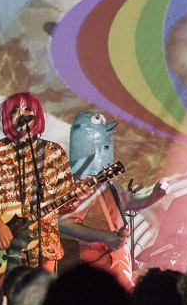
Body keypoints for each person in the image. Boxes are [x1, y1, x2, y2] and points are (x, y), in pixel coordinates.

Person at [0, 91, 76, 273]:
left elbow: (69, 204)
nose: (21, 114)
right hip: (7, 244)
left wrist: (80, 194)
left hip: (44, 244)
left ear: (37, 115)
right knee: (10, 296)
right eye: (15, 110)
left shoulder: (53, 152)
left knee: (42, 297)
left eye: (27, 109)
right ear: (8, 117)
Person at [59, 111, 165, 289]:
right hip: (99, 262)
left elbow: (126, 202)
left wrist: (152, 197)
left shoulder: (108, 180)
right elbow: (64, 223)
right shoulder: (82, 185)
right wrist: (105, 237)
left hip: (118, 257)